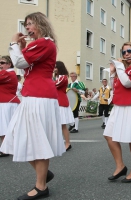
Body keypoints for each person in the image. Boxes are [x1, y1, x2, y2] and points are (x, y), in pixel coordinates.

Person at [0, 12, 65, 199]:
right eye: (25, 24)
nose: (26, 28)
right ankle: (43, 174)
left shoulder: (44, 42)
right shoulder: (40, 44)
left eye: (30, 24)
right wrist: (21, 47)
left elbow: (19, 62)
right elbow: (24, 65)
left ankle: (41, 187)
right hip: (34, 95)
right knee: (16, 137)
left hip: (39, 96)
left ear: (39, 24)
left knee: (36, 140)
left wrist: (13, 43)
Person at [104, 42, 131, 183]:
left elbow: (128, 83)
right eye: (123, 52)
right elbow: (115, 87)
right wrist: (112, 73)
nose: (126, 54)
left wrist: (119, 67)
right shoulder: (124, 69)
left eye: (129, 51)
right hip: (119, 106)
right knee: (109, 135)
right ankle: (120, 166)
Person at [0, 55, 20, 157]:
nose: (0, 65)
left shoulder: (7, 73)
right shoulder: (9, 73)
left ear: (9, 64)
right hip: (8, 102)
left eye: (2, 63)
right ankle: (8, 147)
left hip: (6, 103)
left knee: (4, 126)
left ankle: (6, 149)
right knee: (8, 126)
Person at [54, 61, 75, 151]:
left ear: (59, 68)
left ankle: (67, 143)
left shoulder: (63, 77)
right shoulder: (57, 77)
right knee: (56, 125)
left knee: (62, 125)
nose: (53, 69)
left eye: (55, 67)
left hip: (61, 102)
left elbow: (54, 86)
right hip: (56, 102)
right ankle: (59, 143)